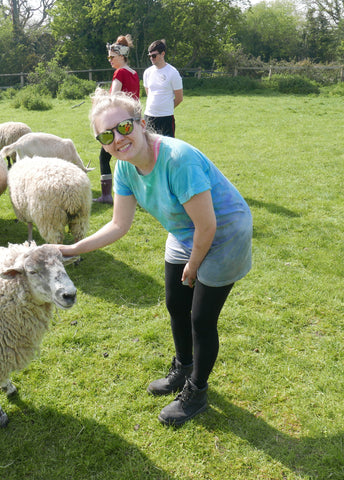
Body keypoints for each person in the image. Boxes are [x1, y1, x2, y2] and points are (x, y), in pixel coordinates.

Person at [57, 89, 252, 426]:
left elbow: (207, 226)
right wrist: (72, 249)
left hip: (223, 234)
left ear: (141, 123)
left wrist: (193, 265)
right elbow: (118, 225)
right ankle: (183, 366)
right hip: (184, 232)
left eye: (124, 127)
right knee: (176, 303)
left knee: (201, 319)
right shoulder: (124, 169)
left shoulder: (177, 160)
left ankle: (197, 392)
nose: (118, 139)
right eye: (106, 135)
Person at [94, 34, 140, 205]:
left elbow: (113, 99)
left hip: (118, 121)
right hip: (132, 120)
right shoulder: (134, 73)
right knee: (132, 156)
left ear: (121, 56)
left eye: (112, 57)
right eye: (109, 57)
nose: (110, 60)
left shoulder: (119, 73)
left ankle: (106, 195)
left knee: (104, 156)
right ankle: (139, 192)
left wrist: (100, 98)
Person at [143, 39, 183, 138]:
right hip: (149, 116)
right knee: (148, 149)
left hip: (166, 118)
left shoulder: (173, 72)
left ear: (163, 54)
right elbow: (149, 93)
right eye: (150, 56)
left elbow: (179, 98)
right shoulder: (147, 72)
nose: (151, 58)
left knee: (167, 149)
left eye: (154, 55)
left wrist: (166, 107)